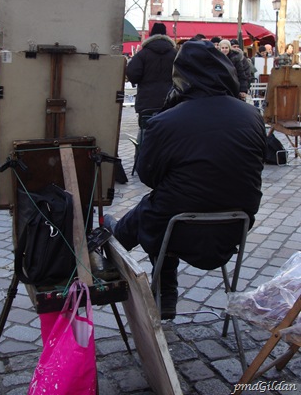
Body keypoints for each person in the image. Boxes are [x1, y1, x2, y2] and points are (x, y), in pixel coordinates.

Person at [105, 40, 266, 320]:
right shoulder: (252, 115)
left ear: (181, 77)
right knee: (162, 205)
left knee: (156, 208)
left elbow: (148, 176)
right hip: (234, 227)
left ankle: (147, 276)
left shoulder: (166, 121)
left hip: (175, 230)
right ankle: (120, 243)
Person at [126, 22, 177, 124]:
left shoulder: (142, 54)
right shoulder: (175, 54)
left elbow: (133, 75)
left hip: (147, 102)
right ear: (166, 34)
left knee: (146, 131)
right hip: (171, 101)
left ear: (151, 34)